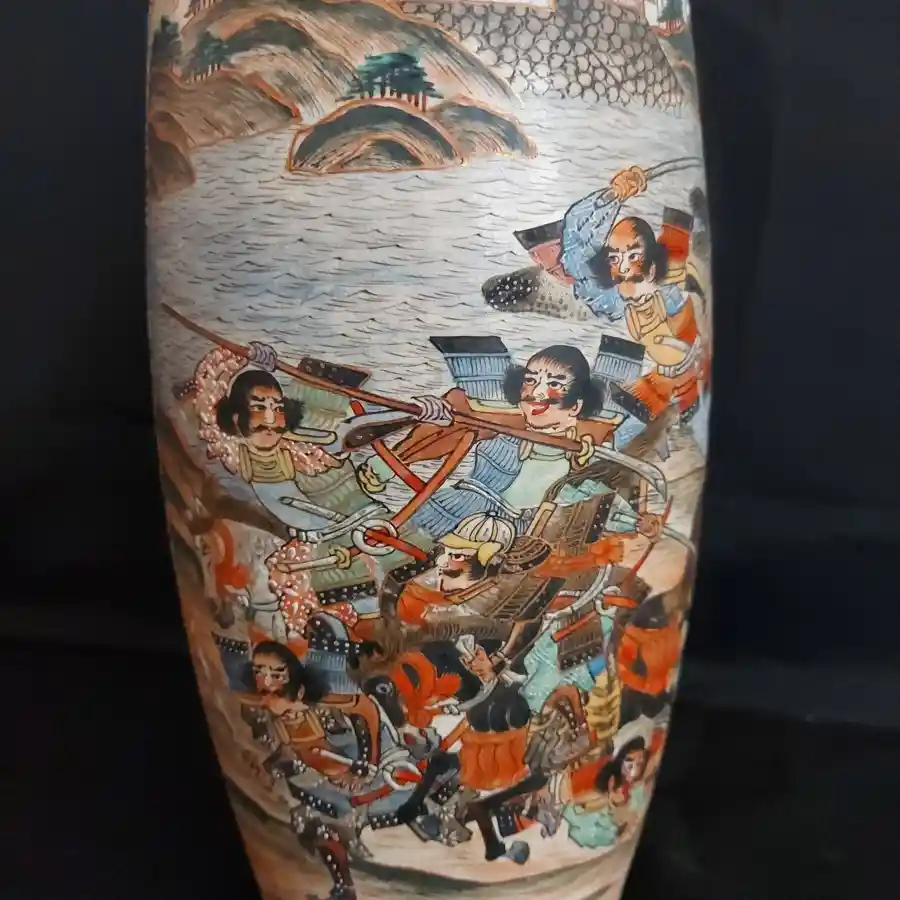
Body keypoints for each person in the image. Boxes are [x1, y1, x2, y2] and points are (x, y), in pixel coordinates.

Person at [358, 344, 625, 537]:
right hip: (456, 507)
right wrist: (389, 461)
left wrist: (582, 465)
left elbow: (591, 504)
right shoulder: (506, 422)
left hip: (506, 533)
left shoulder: (588, 447)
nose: (536, 392)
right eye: (530, 380)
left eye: (554, 384)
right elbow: (456, 419)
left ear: (576, 405)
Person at [560, 169, 707, 427]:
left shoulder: (668, 292)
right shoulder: (610, 299)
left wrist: (688, 348)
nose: (624, 267)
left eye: (633, 256)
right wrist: (610, 196)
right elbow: (574, 244)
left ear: (651, 265)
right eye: (614, 258)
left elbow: (691, 321)